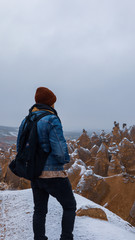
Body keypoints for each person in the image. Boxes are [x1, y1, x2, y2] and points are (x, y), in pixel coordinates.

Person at [17, 87, 76, 240]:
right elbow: (59, 150)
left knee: (40, 210)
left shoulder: (26, 120)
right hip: (53, 173)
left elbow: (19, 148)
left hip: (35, 173)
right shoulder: (51, 118)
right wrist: (65, 160)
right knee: (69, 206)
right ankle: (66, 238)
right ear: (50, 103)